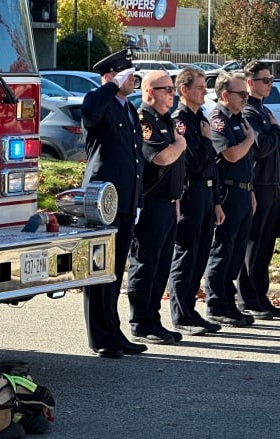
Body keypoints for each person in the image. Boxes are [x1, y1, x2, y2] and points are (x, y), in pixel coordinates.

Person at [80, 49, 147, 359]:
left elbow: (135, 160)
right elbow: (90, 112)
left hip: (123, 201)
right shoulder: (101, 101)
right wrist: (109, 86)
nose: (131, 79)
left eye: (130, 74)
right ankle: (100, 337)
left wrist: (137, 201)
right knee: (100, 270)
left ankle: (114, 331)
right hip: (102, 201)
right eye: (124, 75)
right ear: (109, 76)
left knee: (115, 270)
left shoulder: (128, 109)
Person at [127, 71, 187, 345]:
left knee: (162, 265)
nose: (172, 94)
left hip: (167, 204)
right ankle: (141, 322)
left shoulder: (166, 120)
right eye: (167, 89)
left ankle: (154, 319)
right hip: (149, 205)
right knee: (146, 264)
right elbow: (161, 158)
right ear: (150, 92)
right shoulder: (144, 120)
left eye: (173, 89)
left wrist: (176, 200)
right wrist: (180, 144)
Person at [168, 67, 225, 336]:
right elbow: (193, 161)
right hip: (189, 195)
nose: (205, 92)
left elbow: (212, 166)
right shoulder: (181, 121)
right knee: (186, 256)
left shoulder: (200, 118)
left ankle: (191, 311)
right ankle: (181, 315)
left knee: (201, 255)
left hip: (205, 194)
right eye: (200, 87)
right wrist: (205, 139)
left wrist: (216, 202)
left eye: (205, 87)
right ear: (184, 90)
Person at [203, 72, 256, 327]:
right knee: (222, 251)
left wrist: (251, 191)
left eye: (247, 94)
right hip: (227, 193)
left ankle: (228, 302)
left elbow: (246, 161)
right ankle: (216, 305)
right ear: (225, 95)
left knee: (236, 254)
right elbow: (232, 155)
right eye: (241, 94)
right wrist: (249, 139)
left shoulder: (238, 119)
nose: (246, 98)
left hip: (243, 192)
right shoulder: (218, 120)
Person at [237, 60, 280, 319]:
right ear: (250, 82)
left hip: (270, 186)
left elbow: (272, 153)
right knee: (252, 246)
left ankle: (260, 295)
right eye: (265, 80)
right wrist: (277, 129)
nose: (270, 84)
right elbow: (259, 148)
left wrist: (279, 185)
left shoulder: (263, 110)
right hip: (256, 187)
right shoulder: (249, 112)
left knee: (266, 246)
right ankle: (247, 299)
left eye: (271, 80)